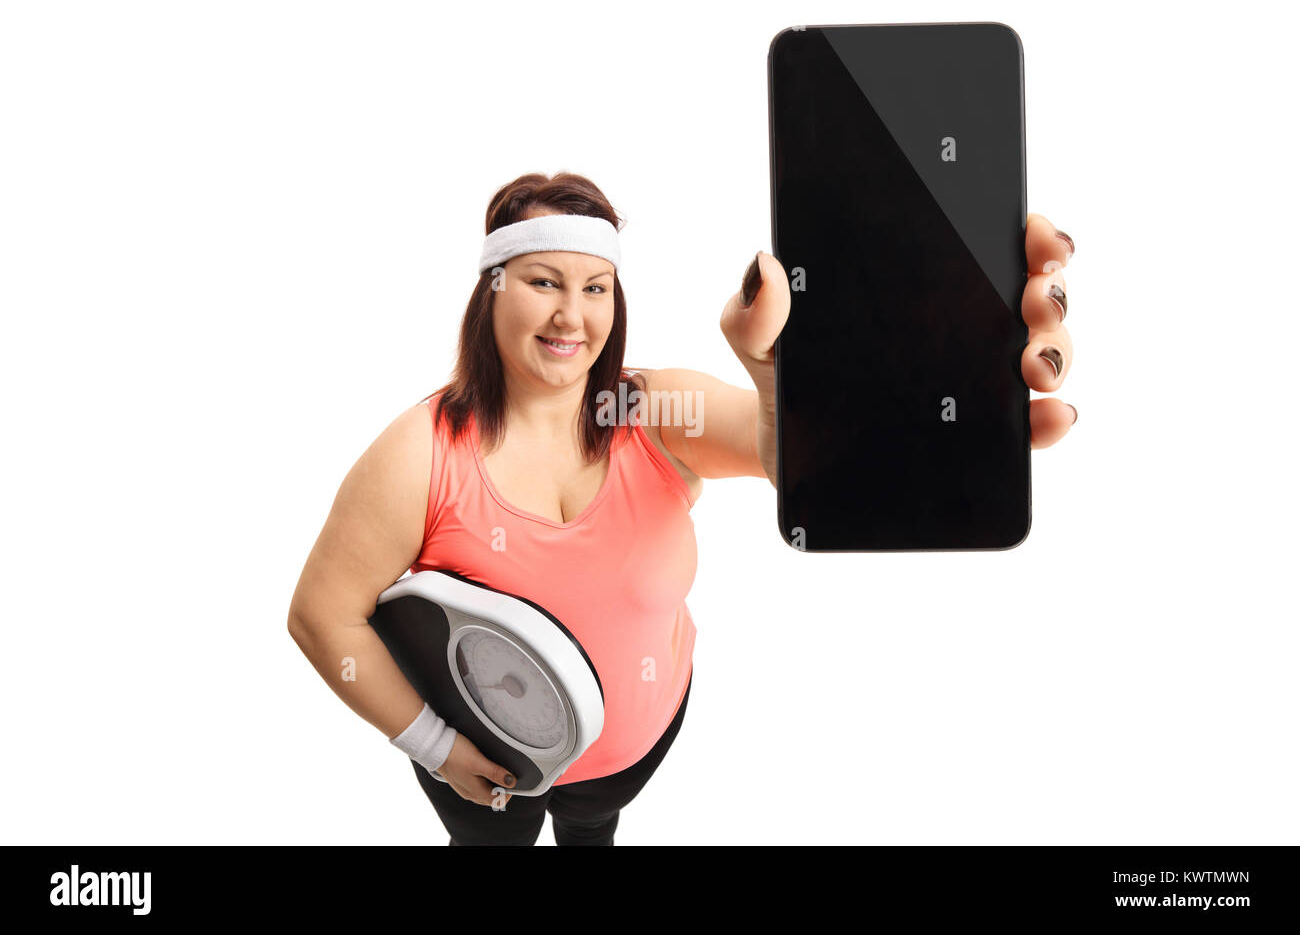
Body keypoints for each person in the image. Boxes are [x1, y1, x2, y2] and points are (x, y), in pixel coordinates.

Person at [287, 171, 1078, 845]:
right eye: (543, 282)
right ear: (490, 292)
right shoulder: (421, 451)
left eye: (595, 288)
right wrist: (434, 746)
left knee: (594, 829)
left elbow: (799, 452)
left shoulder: (656, 410)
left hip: (634, 746)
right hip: (482, 754)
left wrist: (821, 374)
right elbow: (323, 615)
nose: (573, 316)